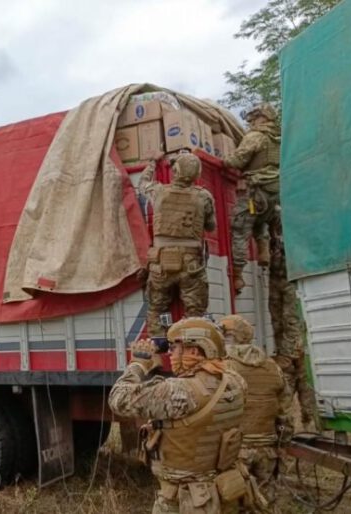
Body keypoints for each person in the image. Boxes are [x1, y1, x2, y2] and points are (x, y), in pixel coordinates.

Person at [110, 317, 247, 514]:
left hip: (187, 501)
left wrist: (138, 364)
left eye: (174, 348)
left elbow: (118, 399)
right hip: (224, 489)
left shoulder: (182, 391)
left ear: (194, 350)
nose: (170, 354)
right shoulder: (236, 381)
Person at [139, 152, 217, 336]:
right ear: (196, 174)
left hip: (161, 263)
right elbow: (211, 226)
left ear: (175, 171)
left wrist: (152, 163)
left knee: (157, 309)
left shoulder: (158, 192)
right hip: (191, 264)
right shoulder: (204, 197)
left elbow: (142, 184)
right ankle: (193, 347)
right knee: (195, 311)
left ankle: (160, 347)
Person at [220, 315, 292, 512]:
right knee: (266, 502)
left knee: (233, 502)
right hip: (267, 448)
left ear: (227, 336)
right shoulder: (271, 366)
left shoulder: (223, 367)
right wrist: (282, 443)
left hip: (234, 450)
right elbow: (284, 412)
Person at [224, 103, 281, 295]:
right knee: (261, 222)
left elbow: (237, 160)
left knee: (240, 229)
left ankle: (238, 276)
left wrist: (225, 160)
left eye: (254, 118)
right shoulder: (278, 139)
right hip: (273, 193)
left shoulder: (255, 137)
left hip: (255, 190)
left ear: (262, 118)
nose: (251, 122)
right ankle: (263, 250)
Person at [268, 216, 318, 426]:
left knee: (303, 377)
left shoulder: (294, 245)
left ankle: (310, 419)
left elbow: (292, 321)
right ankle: (297, 422)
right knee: (293, 378)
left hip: (294, 345)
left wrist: (289, 353)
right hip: (287, 344)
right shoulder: (275, 241)